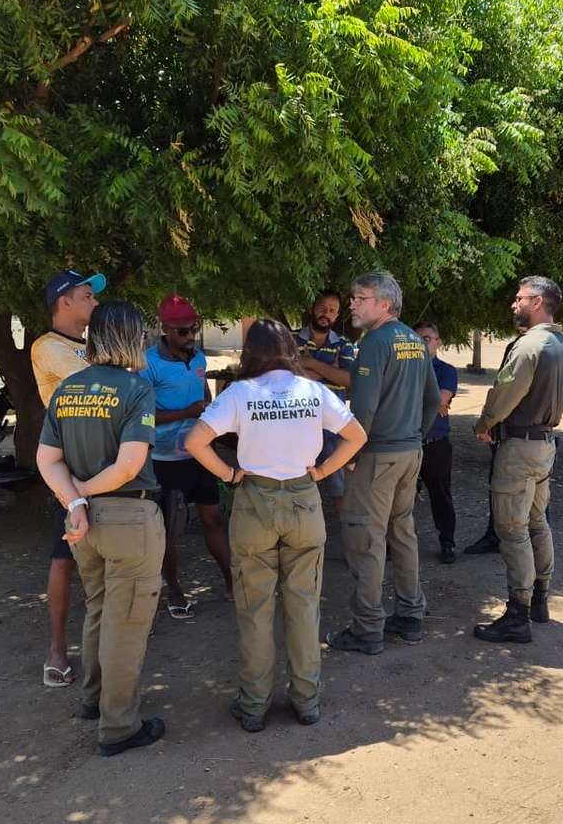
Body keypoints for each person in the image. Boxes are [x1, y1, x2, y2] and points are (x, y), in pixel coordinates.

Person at [183, 319, 366, 731]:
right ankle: (306, 700)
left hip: (255, 504)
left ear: (250, 352)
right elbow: (356, 436)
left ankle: (253, 705)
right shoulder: (313, 391)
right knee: (304, 606)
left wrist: (229, 475)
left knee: (254, 609)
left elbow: (195, 441)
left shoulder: (240, 393)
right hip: (304, 500)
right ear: (290, 350)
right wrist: (323, 472)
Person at [36, 300, 166, 757]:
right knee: (125, 623)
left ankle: (93, 700)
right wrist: (86, 492)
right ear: (131, 338)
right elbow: (129, 466)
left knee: (98, 608)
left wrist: (75, 501)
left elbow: (47, 459)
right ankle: (119, 727)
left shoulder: (68, 389)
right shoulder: (136, 389)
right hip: (128, 518)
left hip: (83, 526)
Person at [325, 271, 440, 654]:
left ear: (385, 304)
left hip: (377, 456)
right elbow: (432, 400)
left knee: (366, 540)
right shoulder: (414, 340)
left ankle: (367, 629)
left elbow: (364, 408)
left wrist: (353, 453)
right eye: (354, 297)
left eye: (361, 298)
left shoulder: (374, 341)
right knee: (402, 534)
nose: (353, 304)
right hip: (409, 453)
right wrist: (414, 437)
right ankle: (410, 616)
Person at [471, 276, 563, 644]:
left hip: (518, 448)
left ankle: (518, 615)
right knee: (536, 522)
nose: (513, 304)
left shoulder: (529, 345)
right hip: (545, 444)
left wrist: (484, 424)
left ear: (537, 302)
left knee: (512, 528)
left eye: (519, 298)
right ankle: (539, 602)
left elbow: (505, 393)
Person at [139, 295, 234, 618]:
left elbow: (204, 399)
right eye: (182, 331)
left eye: (194, 328)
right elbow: (142, 416)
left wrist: (214, 427)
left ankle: (232, 581)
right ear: (165, 329)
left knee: (214, 519)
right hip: (164, 460)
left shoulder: (199, 358)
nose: (190, 335)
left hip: (199, 455)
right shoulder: (148, 364)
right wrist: (186, 413)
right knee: (168, 529)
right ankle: (175, 591)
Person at [31, 269, 101, 687]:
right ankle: (57, 647)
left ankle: (106, 634)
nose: (95, 302)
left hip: (104, 461)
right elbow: (96, 386)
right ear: (65, 302)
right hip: (69, 465)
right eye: (87, 296)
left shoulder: (94, 345)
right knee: (64, 556)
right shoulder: (48, 347)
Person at [295, 293, 356, 516]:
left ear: (338, 315)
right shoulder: (290, 340)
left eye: (332, 310)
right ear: (312, 307)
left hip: (333, 427)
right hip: (297, 427)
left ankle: (348, 533)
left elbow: (349, 379)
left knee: (340, 489)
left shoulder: (344, 343)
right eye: (322, 308)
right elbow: (286, 376)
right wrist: (331, 370)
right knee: (295, 485)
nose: (326, 314)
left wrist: (310, 364)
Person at [413, 322, 458, 564]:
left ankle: (447, 541)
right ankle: (397, 544)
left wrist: (434, 401)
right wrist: (434, 403)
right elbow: (435, 403)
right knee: (401, 498)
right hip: (408, 443)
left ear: (438, 343)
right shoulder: (403, 369)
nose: (422, 343)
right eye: (417, 338)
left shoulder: (447, 371)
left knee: (441, 496)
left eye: (427, 339)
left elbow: (441, 398)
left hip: (436, 444)